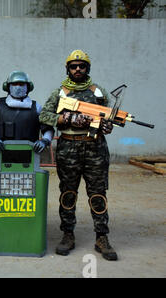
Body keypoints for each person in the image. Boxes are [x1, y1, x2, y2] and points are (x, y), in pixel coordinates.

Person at [39, 49, 117, 261]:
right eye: (73, 66)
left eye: (82, 66)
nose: (78, 69)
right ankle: (67, 235)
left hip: (95, 148)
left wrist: (107, 126)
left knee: (98, 193)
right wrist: (67, 120)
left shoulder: (99, 92)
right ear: (68, 69)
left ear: (87, 68)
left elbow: (107, 116)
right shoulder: (60, 93)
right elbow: (44, 116)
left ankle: (102, 237)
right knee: (68, 192)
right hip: (69, 147)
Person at [0, 70, 54, 153]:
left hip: (29, 153)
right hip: (2, 153)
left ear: (28, 87)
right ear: (7, 86)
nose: (18, 87)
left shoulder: (36, 107)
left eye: (22, 84)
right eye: (14, 84)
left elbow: (48, 128)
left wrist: (44, 141)